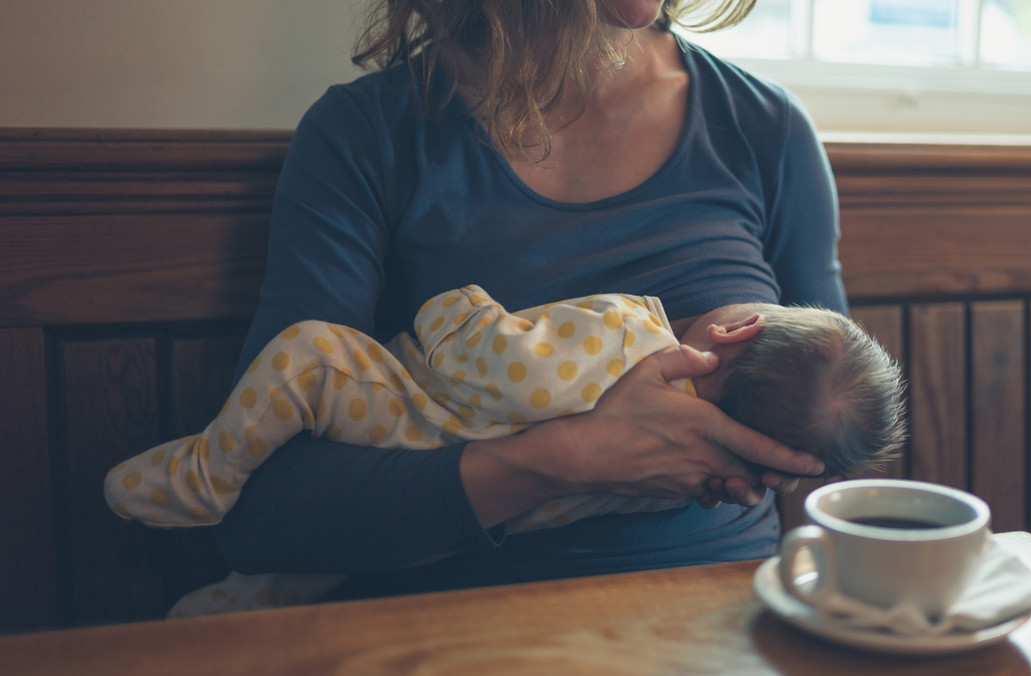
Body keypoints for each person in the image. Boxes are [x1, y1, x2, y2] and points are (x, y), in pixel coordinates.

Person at [209, 0, 849, 604]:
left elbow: (834, 440)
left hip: (724, 621)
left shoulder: (765, 128)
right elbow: (264, 516)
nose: (639, 11)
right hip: (456, 630)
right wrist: (572, 459)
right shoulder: (367, 135)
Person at [105, 283, 903, 616]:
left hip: (397, 419)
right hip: (436, 537)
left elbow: (486, 359)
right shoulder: (686, 477)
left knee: (307, 355)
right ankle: (202, 618)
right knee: (295, 580)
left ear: (733, 331)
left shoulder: (632, 332)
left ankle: (205, 474)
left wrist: (458, 305)